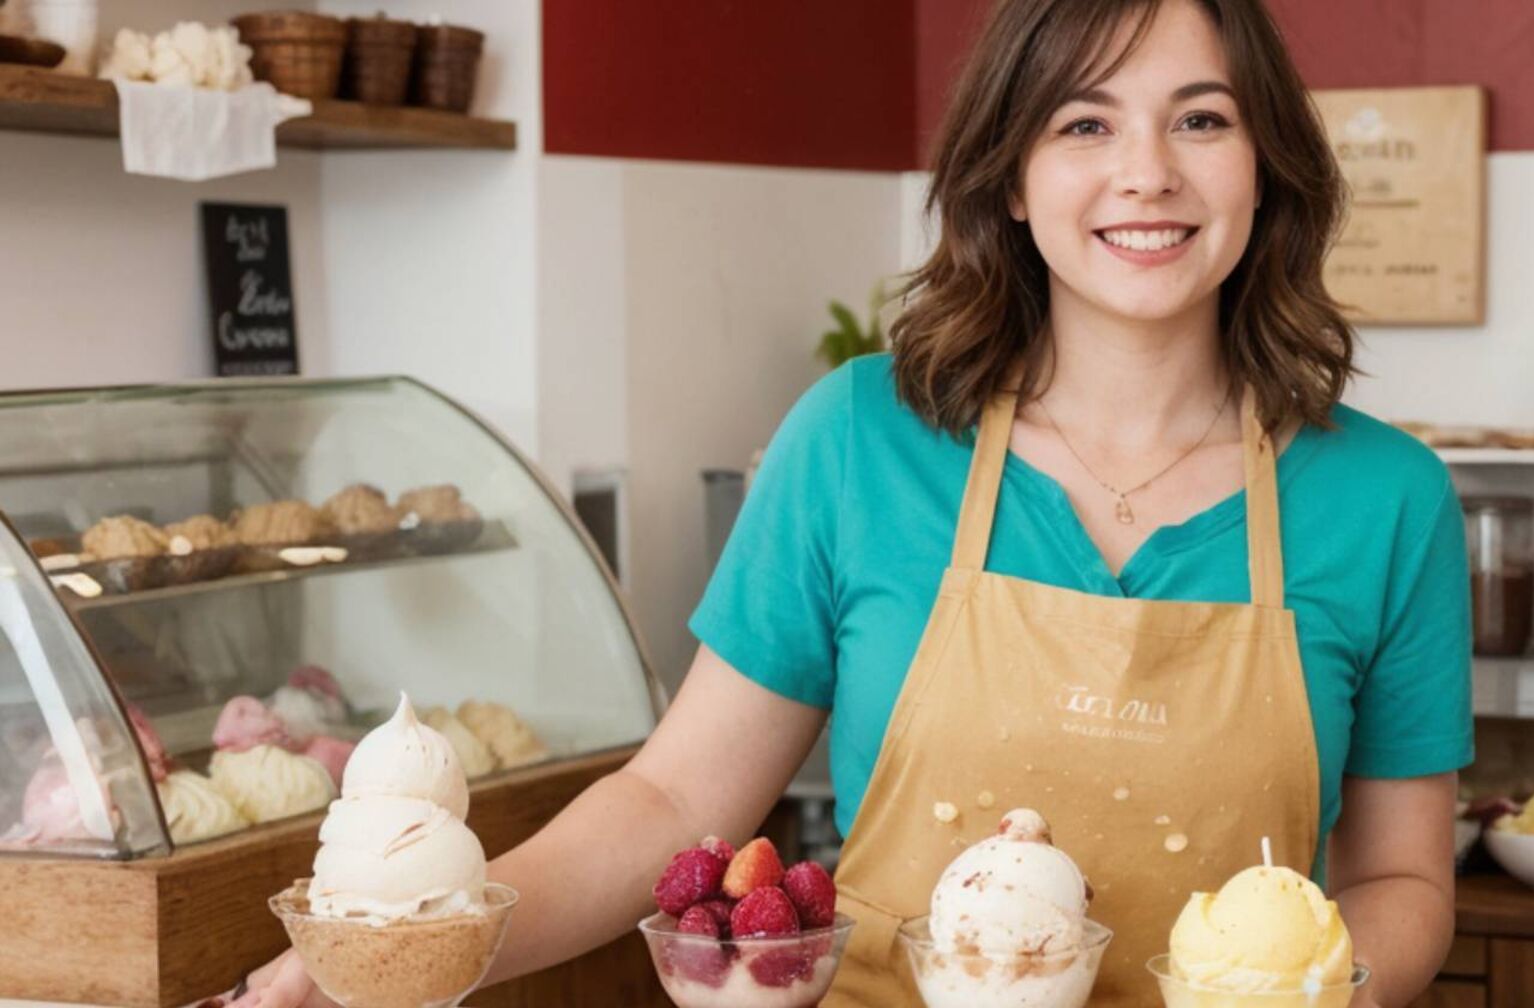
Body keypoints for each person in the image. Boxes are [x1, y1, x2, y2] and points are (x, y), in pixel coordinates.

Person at [238, 0, 1468, 1005]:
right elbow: (673, 799)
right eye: (1084, 125)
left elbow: (1404, 881)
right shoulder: (859, 439)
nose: (1146, 173)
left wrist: (1332, 992)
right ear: (1011, 176)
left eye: (1201, 120)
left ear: (1266, 168)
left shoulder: (1386, 499)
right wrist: (414, 939)